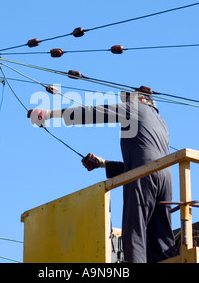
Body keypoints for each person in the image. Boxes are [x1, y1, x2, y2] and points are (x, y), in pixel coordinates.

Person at [27, 86, 175, 263]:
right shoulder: (162, 124)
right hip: (166, 175)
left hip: (143, 174)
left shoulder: (136, 108)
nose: (125, 103)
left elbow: (93, 112)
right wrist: (103, 164)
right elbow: (142, 160)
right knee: (161, 234)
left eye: (128, 99)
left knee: (135, 231)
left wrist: (48, 114)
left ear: (142, 99)